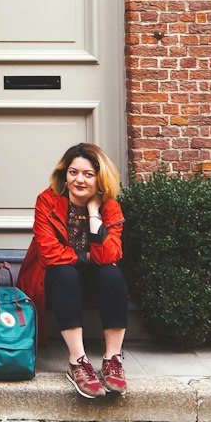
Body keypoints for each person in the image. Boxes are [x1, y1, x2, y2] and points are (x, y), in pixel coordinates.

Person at [17, 142, 128, 398]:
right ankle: (77, 361)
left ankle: (113, 360)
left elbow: (110, 255)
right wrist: (87, 256)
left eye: (88, 174)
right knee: (66, 272)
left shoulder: (109, 207)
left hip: (90, 284)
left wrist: (93, 213)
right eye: (73, 172)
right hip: (53, 280)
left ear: (100, 179)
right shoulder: (48, 201)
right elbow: (50, 254)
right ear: (64, 174)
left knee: (112, 274)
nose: (79, 180)